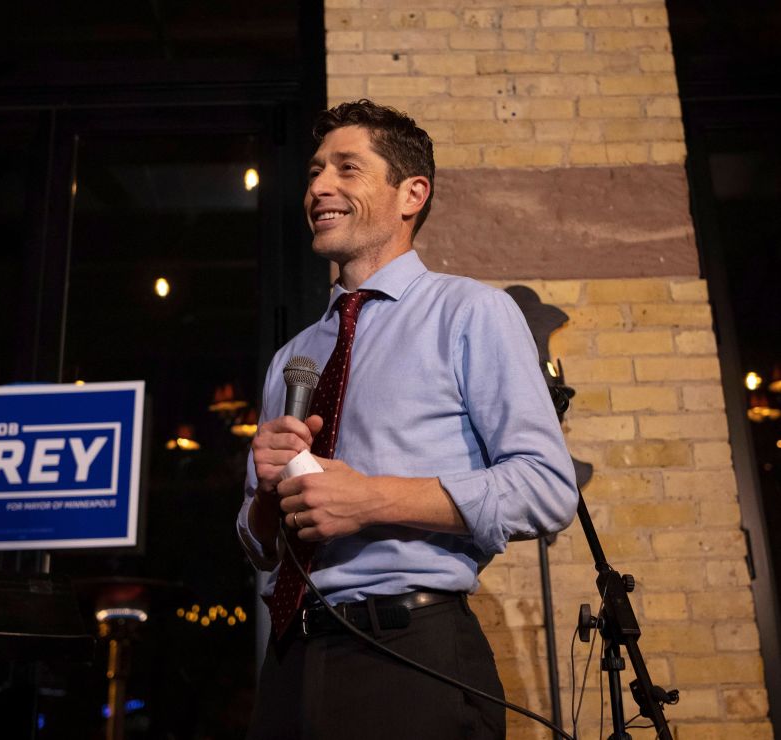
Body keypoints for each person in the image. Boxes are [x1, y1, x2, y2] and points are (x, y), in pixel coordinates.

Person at [236, 99, 578, 740]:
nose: (318, 188)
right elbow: (258, 544)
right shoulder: (294, 355)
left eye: (346, 168)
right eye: (313, 172)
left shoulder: (471, 312)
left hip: (408, 652)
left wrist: (371, 499)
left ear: (411, 193)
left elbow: (546, 487)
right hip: (289, 656)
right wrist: (266, 495)